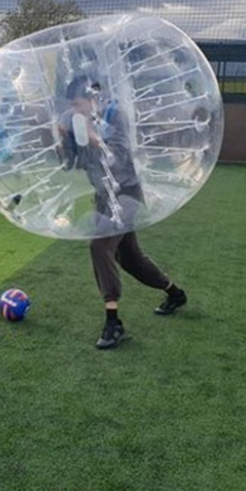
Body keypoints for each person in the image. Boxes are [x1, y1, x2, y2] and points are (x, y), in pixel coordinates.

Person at [59, 75, 186, 350]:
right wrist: (63, 140)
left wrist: (95, 141)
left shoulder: (116, 116)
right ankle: (174, 293)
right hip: (104, 197)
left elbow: (122, 157)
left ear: (92, 99)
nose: (75, 111)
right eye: (72, 107)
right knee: (131, 259)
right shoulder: (76, 122)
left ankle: (113, 322)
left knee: (99, 245)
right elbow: (70, 165)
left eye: (79, 105)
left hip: (127, 194)